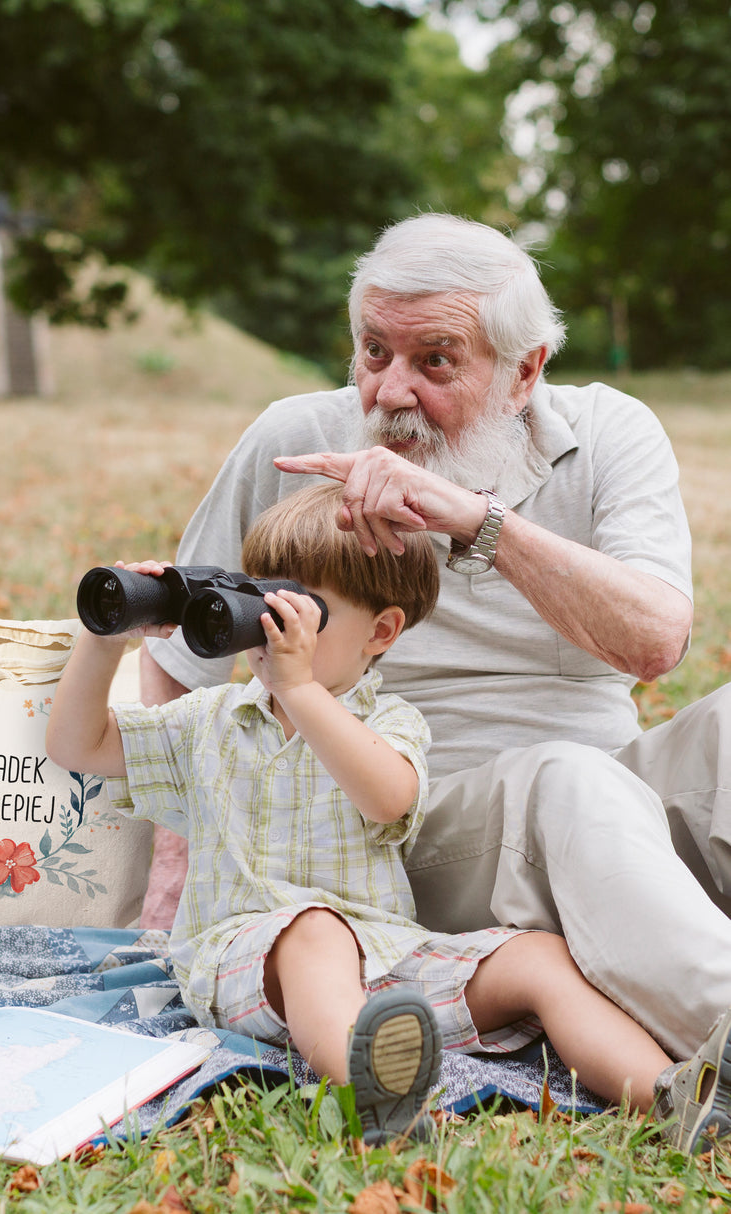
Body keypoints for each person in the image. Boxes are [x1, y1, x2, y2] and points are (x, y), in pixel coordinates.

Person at [138, 212, 731, 1067]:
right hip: (405, 833)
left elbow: (654, 641)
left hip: (613, 821)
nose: (391, 391)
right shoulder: (293, 442)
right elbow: (177, 658)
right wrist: (176, 884)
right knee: (562, 777)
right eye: (374, 352)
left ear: (525, 373)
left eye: (436, 361)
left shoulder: (609, 434)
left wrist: (478, 523)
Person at [47, 484, 731, 1151]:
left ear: (382, 630)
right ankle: (372, 1089)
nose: (271, 629)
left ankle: (672, 1098)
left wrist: (302, 689)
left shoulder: (389, 724)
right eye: (260, 599)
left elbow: (390, 798)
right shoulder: (211, 724)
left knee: (538, 958)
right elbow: (79, 745)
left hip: (388, 961)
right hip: (248, 959)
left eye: (302, 612)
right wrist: (105, 641)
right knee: (314, 932)